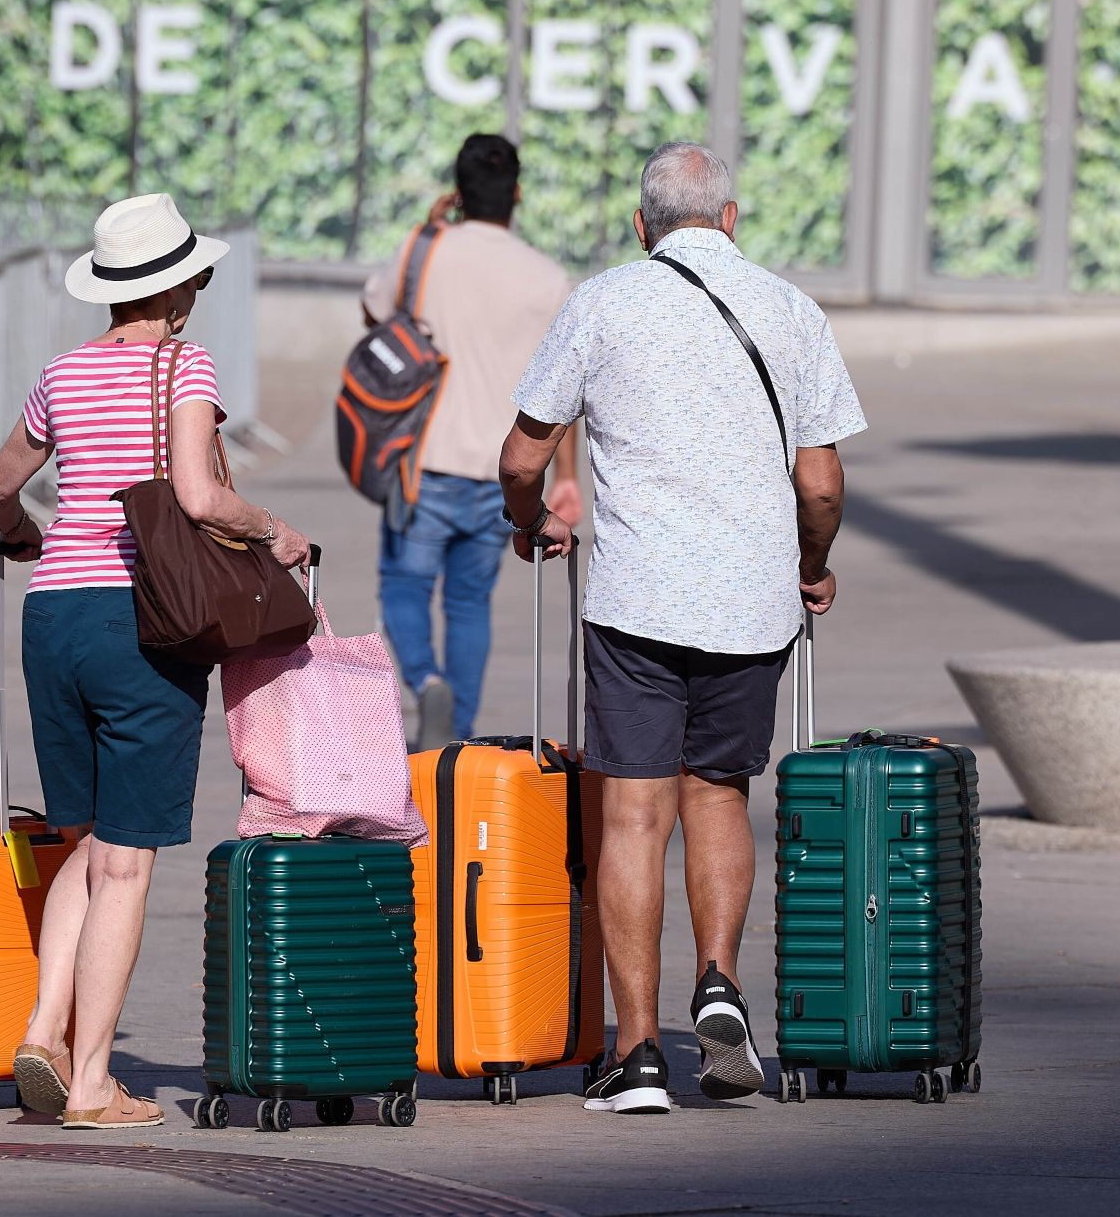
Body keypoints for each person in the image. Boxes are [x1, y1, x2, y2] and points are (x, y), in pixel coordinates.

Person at [498, 142, 864, 1115]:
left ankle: (637, 1054)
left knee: (630, 815)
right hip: (750, 604)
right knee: (717, 797)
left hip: (636, 599)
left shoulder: (603, 300)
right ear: (732, 219)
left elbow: (521, 452)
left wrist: (527, 519)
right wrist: (809, 565)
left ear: (640, 225)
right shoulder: (791, 309)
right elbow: (819, 482)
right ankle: (716, 979)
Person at [0, 193, 310, 1129]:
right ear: (179, 287)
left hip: (52, 617)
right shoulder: (185, 363)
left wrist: (22, 536)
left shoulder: (61, 373)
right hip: (141, 624)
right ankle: (90, 1083)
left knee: (85, 845)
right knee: (127, 865)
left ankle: (46, 1033)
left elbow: (0, 484)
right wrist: (276, 531)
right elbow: (201, 498)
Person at [362, 134, 580, 749]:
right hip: (502, 468)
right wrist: (565, 478)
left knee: (403, 585)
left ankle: (426, 679)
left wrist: (428, 235)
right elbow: (562, 394)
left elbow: (376, 318)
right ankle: (455, 740)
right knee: (469, 603)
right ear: (517, 193)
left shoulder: (421, 252)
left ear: (457, 192)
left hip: (420, 460)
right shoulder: (546, 277)